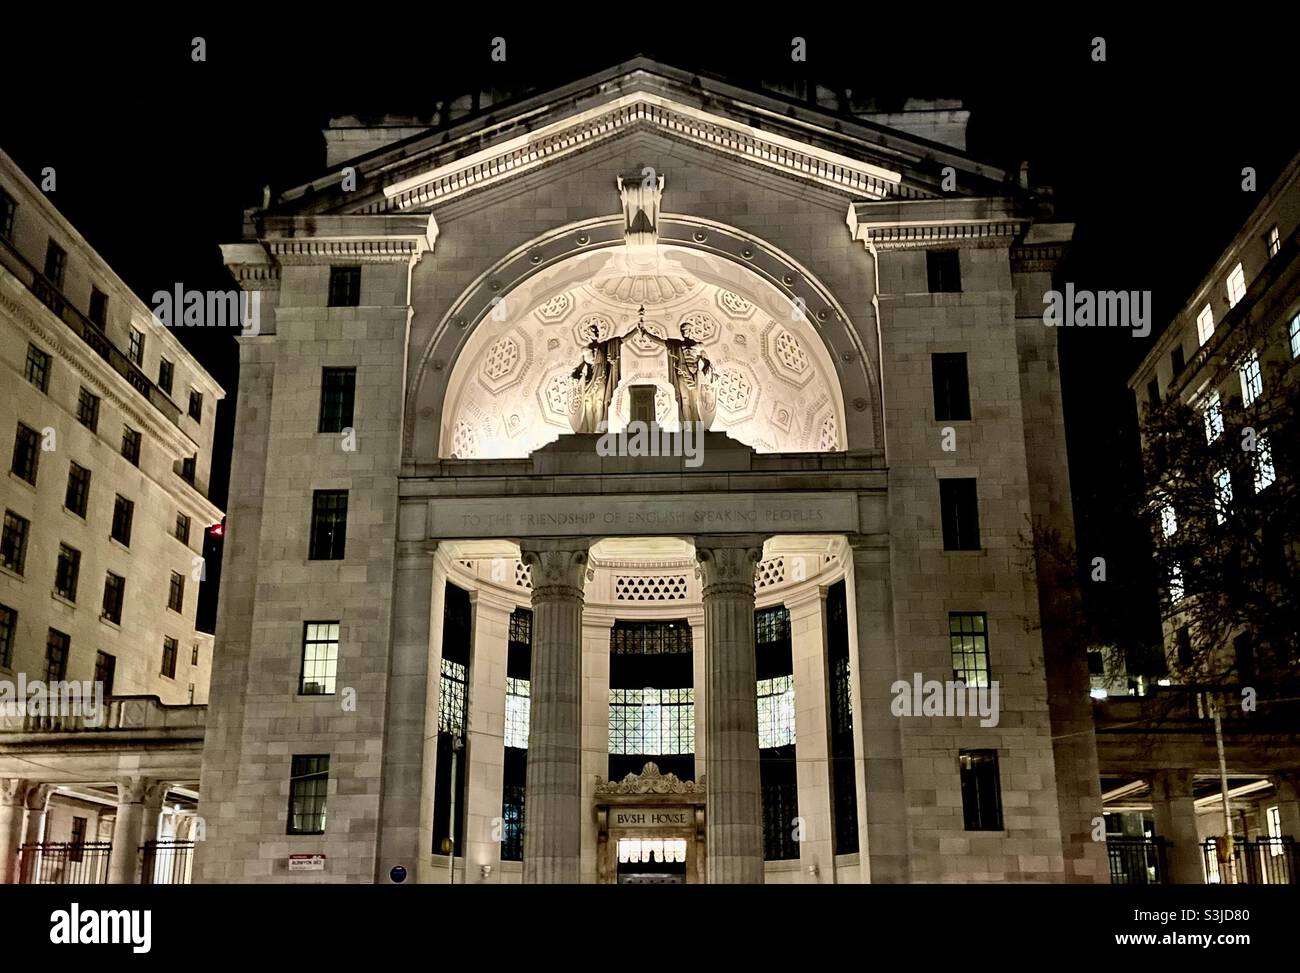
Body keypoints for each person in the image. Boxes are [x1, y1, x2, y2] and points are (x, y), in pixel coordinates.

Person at [635, 316, 714, 424]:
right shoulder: (677, 344)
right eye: (682, 331)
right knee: (685, 399)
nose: (683, 333)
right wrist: (646, 333)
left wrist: (707, 368)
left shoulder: (699, 345)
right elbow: (661, 342)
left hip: (694, 374)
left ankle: (698, 424)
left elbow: (707, 361)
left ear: (691, 331)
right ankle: (688, 426)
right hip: (682, 372)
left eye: (685, 330)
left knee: (696, 400)